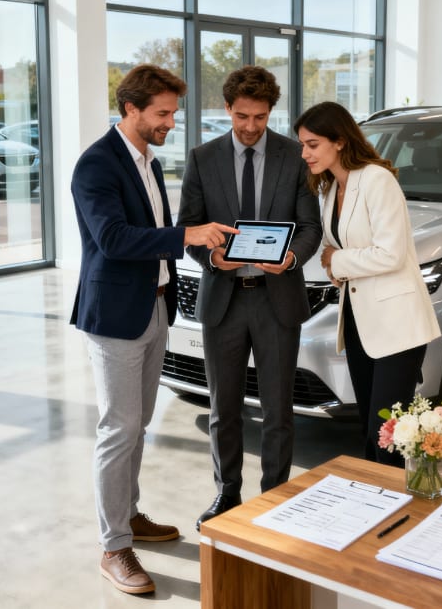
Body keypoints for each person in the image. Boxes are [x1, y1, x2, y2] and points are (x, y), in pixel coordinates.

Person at [71, 64, 237, 595]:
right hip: (116, 316)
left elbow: (157, 234)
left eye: (173, 112)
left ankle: (129, 514)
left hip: (155, 307)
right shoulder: (96, 165)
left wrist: (206, 245)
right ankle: (114, 547)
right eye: (162, 113)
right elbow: (116, 240)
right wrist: (184, 232)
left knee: (138, 423)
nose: (171, 122)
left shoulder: (148, 161)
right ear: (131, 109)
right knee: (119, 428)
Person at [178, 66, 322, 530]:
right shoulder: (202, 159)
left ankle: (277, 496)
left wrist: (293, 259)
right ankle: (227, 493)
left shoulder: (294, 157)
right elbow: (191, 226)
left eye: (260, 117)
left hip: (276, 298)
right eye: (242, 116)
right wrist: (211, 260)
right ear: (227, 109)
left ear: (270, 112)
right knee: (224, 409)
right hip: (223, 299)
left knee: (278, 409)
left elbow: (310, 227)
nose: (250, 127)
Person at [294, 101, 441, 467]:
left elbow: (391, 254)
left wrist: (337, 262)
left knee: (388, 432)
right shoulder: (329, 188)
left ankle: (395, 511)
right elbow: (339, 246)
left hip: (397, 323)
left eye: (312, 144)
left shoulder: (377, 180)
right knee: (371, 428)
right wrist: (335, 262)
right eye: (302, 144)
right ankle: (375, 507)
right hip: (360, 320)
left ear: (340, 141)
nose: (304, 153)